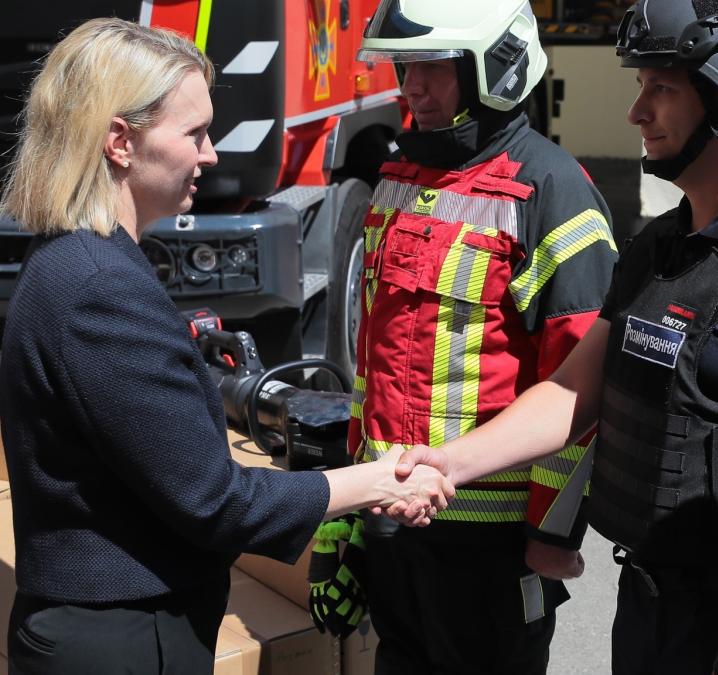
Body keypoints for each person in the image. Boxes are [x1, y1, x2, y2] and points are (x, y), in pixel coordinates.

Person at [389, 0, 718, 672]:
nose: (636, 111)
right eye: (641, 86)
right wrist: (448, 463)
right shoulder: (660, 247)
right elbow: (570, 393)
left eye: (662, 88)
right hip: (652, 602)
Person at [0, 18, 450, 674]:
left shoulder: (71, 260)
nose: (210, 154)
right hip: (123, 640)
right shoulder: (101, 288)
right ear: (120, 142)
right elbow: (218, 501)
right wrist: (378, 478)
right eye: (195, 133)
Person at [332, 1, 619, 672]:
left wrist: (551, 531)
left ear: (497, 68)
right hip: (390, 520)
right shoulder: (397, 181)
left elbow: (580, 391)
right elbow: (368, 371)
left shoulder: (551, 192)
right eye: (406, 67)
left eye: (433, 67)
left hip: (490, 545)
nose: (413, 89)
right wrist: (344, 516)